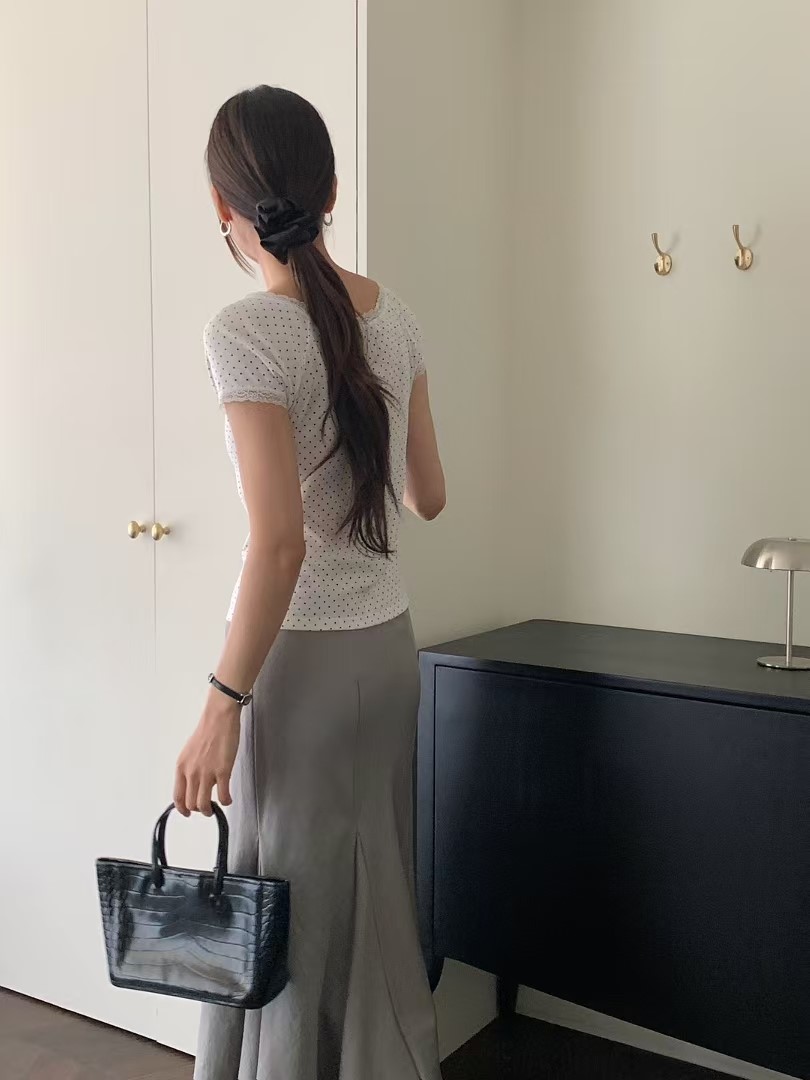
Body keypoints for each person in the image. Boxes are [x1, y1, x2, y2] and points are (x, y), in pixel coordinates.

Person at [174, 85, 446, 1080]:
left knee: (288, 903)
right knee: (373, 890)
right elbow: (429, 496)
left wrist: (221, 702)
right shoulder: (395, 316)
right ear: (332, 193)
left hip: (300, 671)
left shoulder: (246, 331)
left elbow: (280, 547)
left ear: (223, 206)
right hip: (388, 650)